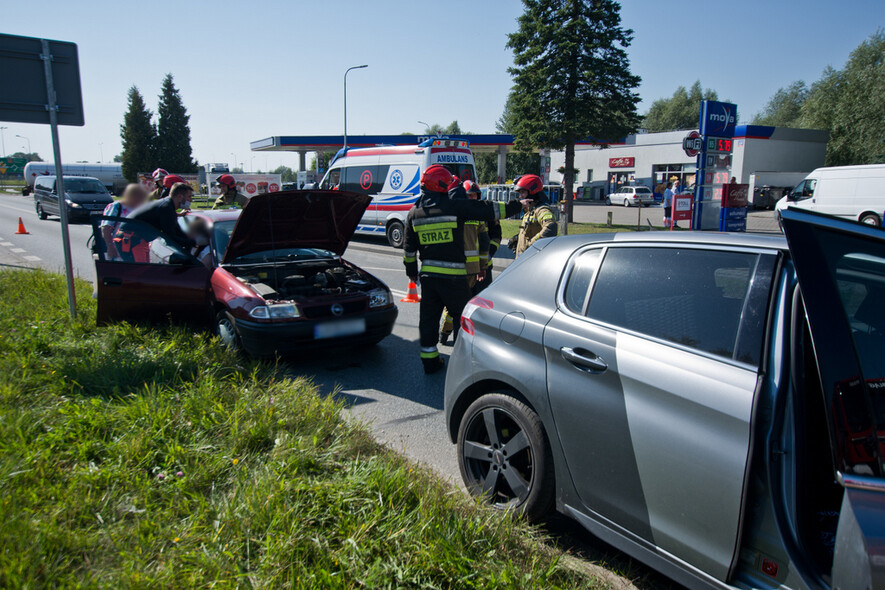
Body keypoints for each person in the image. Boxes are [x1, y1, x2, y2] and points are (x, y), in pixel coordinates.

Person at [403, 165, 525, 374]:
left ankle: (430, 362)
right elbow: (487, 209)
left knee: (429, 321)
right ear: (441, 184)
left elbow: (408, 250)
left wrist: (412, 272)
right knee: (462, 318)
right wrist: (518, 205)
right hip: (455, 278)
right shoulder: (453, 206)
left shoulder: (414, 213)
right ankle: (462, 364)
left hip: (429, 279)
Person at [439, 180, 491, 345]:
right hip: (469, 269)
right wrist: (483, 267)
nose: (473, 199)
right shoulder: (478, 216)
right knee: (461, 303)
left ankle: (445, 333)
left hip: (459, 268)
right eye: (470, 195)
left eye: (475, 195)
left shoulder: (452, 211)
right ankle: (452, 335)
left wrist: (482, 267)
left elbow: (484, 244)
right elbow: (484, 244)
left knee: (455, 303)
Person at [115, 182, 195, 263]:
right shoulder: (166, 208)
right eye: (189, 196)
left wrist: (190, 240)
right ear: (180, 197)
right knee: (138, 272)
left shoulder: (167, 205)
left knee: (143, 271)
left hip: (135, 239)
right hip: (131, 240)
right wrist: (191, 243)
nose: (191, 200)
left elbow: (176, 230)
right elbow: (170, 236)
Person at [508, 174, 557, 257]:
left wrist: (532, 244)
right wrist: (519, 238)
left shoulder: (542, 210)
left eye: (523, 192)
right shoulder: (530, 211)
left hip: (533, 262)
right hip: (524, 262)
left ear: (532, 192)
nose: (520, 196)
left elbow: (551, 228)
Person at [100, 183, 148, 261]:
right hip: (118, 249)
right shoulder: (116, 206)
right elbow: (106, 227)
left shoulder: (142, 208)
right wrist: (110, 246)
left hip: (137, 250)